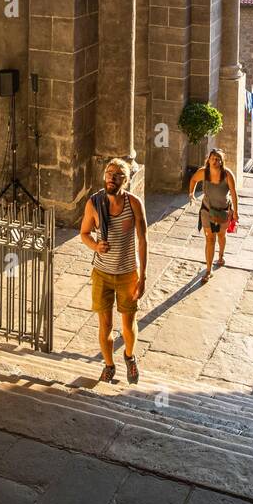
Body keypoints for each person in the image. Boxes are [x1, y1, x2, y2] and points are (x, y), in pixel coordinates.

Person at [80, 158, 148, 383]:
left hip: (128, 273)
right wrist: (95, 246)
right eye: (109, 173)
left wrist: (143, 275)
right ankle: (109, 365)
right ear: (104, 177)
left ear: (126, 181)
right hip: (102, 273)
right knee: (105, 324)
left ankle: (129, 356)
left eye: (118, 174)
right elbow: (84, 233)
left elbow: (143, 239)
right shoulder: (94, 203)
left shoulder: (134, 203)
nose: (112, 177)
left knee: (128, 324)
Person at [188, 149, 239, 283]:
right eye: (213, 158)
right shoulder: (203, 172)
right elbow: (193, 180)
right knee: (210, 239)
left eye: (218, 159)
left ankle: (220, 256)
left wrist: (236, 212)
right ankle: (209, 270)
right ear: (209, 159)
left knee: (221, 235)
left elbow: (233, 193)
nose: (215, 161)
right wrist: (191, 194)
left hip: (223, 211)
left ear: (222, 161)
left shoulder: (227, 175)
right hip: (207, 211)